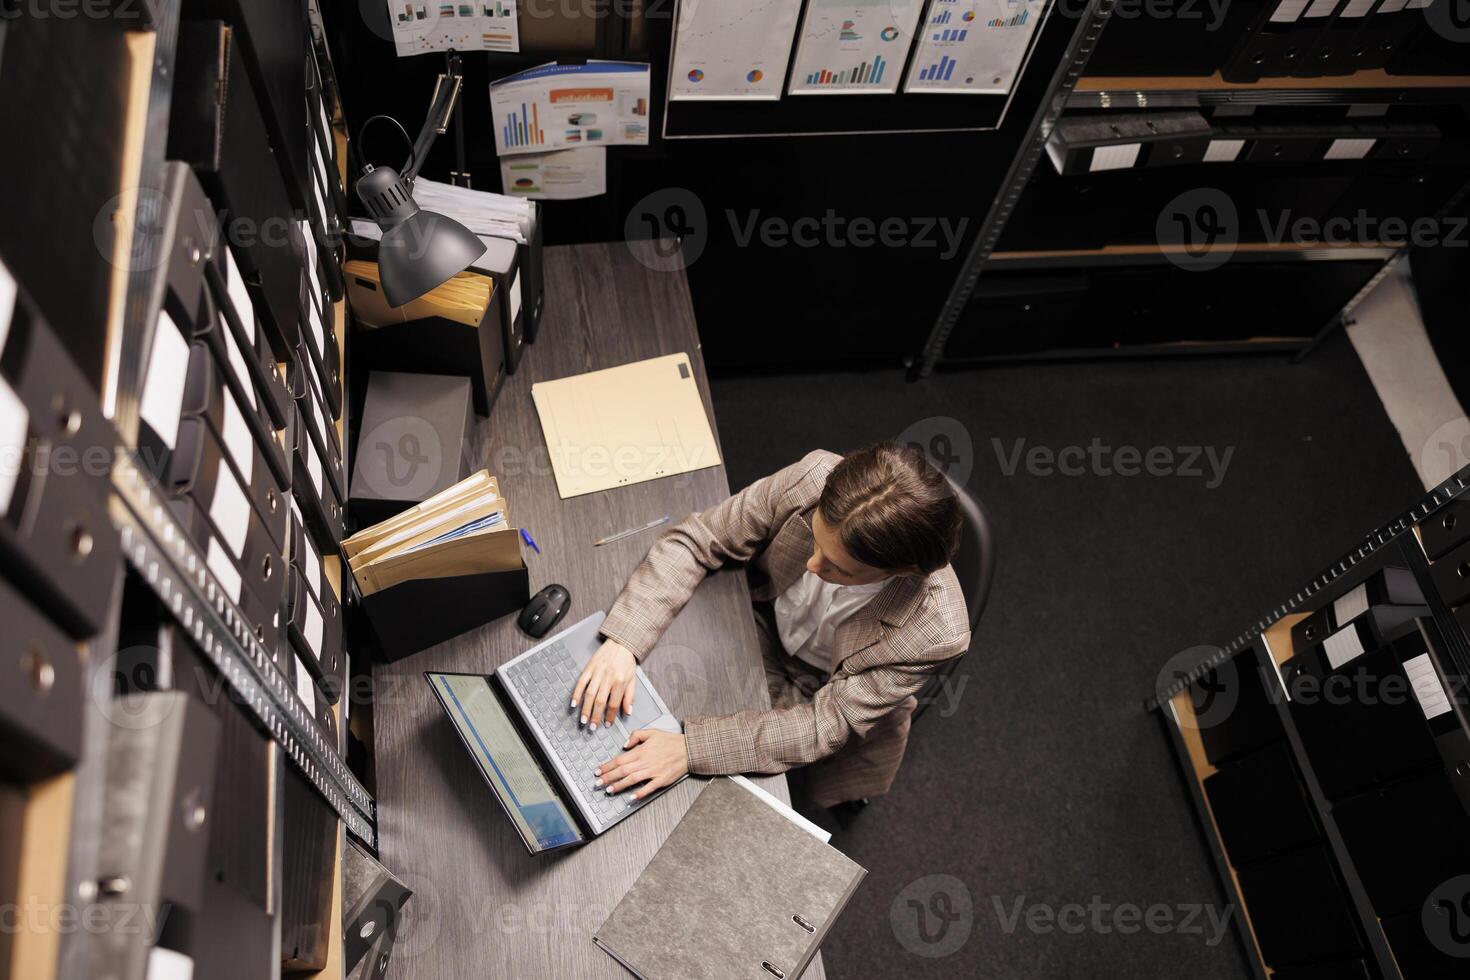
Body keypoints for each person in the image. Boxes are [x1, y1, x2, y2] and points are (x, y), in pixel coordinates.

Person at [573, 442, 972, 808]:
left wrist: (691, 750)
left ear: (900, 572)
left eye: (839, 569)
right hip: (756, 624)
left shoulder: (935, 633)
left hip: (823, 690)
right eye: (815, 542)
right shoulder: (813, 478)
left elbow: (824, 725)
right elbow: (700, 537)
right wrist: (623, 642)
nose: (813, 567)